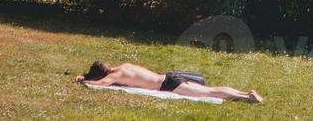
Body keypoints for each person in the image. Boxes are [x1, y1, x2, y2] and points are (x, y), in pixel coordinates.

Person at [76, 62, 262, 103]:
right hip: (169, 76)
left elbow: (99, 85)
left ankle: (247, 97)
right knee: (211, 90)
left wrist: (85, 81)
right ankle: (245, 94)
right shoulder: (123, 66)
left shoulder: (113, 77)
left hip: (168, 84)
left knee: (209, 93)